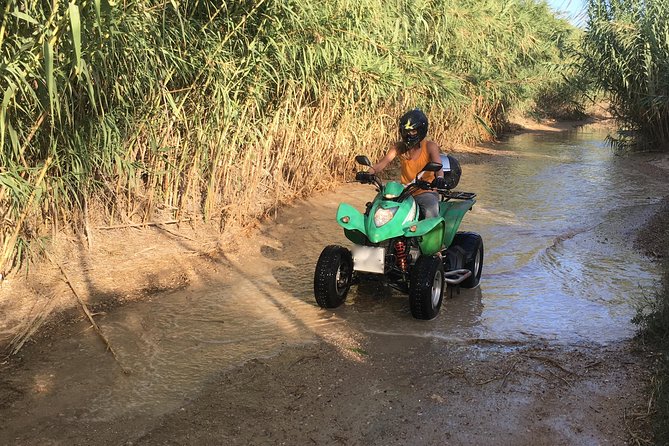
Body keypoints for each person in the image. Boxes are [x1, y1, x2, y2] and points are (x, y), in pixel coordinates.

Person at [367, 108, 446, 219]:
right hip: (404, 192)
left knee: (430, 213)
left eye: (413, 131)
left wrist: (440, 179)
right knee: (374, 208)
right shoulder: (399, 147)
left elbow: (438, 167)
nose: (409, 135)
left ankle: (433, 235)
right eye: (406, 131)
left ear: (421, 130)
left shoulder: (430, 146)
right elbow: (382, 163)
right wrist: (369, 173)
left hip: (426, 191)